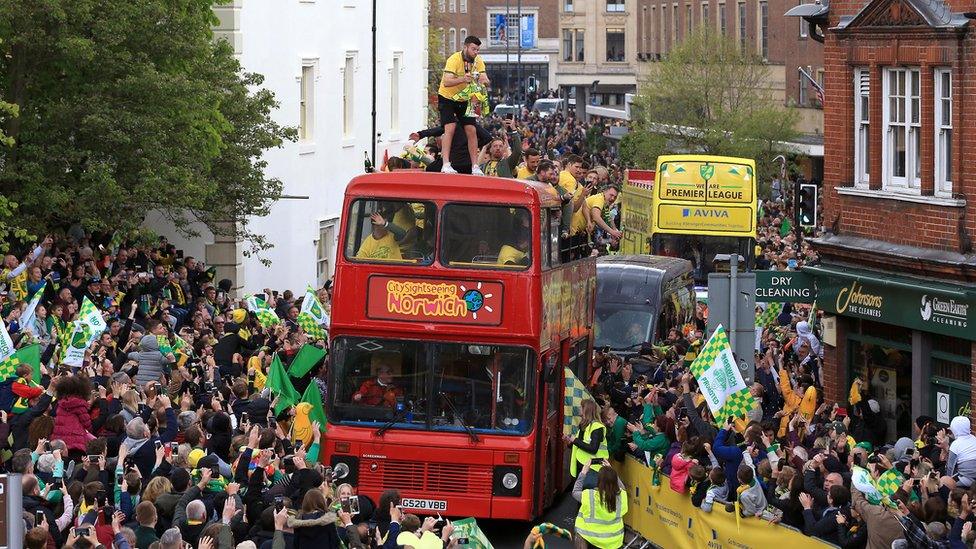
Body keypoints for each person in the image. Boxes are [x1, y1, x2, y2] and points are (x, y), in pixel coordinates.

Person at [437, 36, 489, 175]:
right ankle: (446, 163)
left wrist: (484, 81)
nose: (476, 52)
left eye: (478, 49)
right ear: (465, 47)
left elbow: (485, 79)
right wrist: (462, 79)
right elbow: (446, 82)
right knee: (450, 127)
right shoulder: (454, 59)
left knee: (471, 129)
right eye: (473, 49)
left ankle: (475, 166)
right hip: (447, 97)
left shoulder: (478, 61)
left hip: (465, 98)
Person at [572, 462, 627, 549]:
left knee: (579, 534)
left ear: (599, 481)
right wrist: (611, 471)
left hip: (590, 540)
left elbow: (575, 492)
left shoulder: (590, 495)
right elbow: (622, 488)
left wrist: (583, 472)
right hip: (613, 543)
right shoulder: (621, 496)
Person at [564, 399, 609, 487]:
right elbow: (579, 446)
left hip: (593, 470)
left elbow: (593, 449)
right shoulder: (584, 426)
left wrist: (575, 440)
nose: (579, 408)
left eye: (581, 407)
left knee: (587, 498)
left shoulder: (597, 427)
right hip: (583, 468)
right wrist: (569, 442)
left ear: (586, 409)